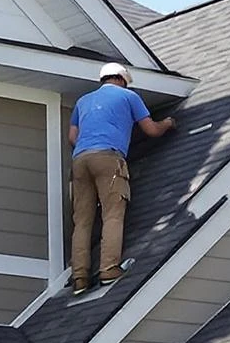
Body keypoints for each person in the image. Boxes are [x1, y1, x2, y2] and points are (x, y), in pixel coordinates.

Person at [67, 63, 173, 294]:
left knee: (83, 221)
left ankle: (80, 278)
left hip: (80, 159)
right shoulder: (128, 96)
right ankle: (108, 269)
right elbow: (152, 130)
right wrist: (168, 123)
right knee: (113, 213)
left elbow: (72, 136)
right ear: (123, 79)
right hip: (108, 157)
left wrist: (91, 145)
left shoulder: (83, 101)